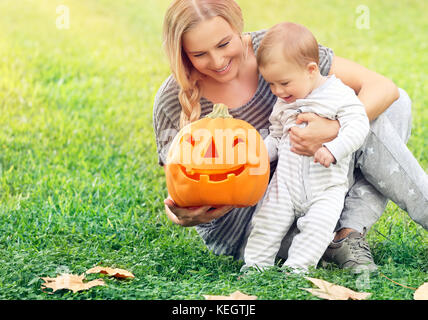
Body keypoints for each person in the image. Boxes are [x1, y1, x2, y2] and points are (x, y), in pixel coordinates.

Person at [153, 0, 428, 274]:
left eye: (224, 44)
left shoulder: (274, 49)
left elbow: (383, 88)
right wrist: (180, 215)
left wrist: (333, 129)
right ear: (182, 53)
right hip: (253, 221)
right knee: (364, 119)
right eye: (199, 54)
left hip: (318, 187)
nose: (217, 61)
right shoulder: (170, 99)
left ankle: (347, 233)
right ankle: (330, 239)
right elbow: (182, 184)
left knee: (392, 105)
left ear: (238, 28)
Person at [242, 22, 370, 273]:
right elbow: (278, 137)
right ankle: (255, 266)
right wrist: (256, 156)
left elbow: (358, 126)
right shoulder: (284, 100)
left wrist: (334, 149)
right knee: (266, 221)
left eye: (284, 83)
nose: (277, 91)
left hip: (326, 187)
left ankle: (296, 269)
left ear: (311, 69)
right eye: (271, 84)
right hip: (286, 184)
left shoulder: (338, 95)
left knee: (317, 228)